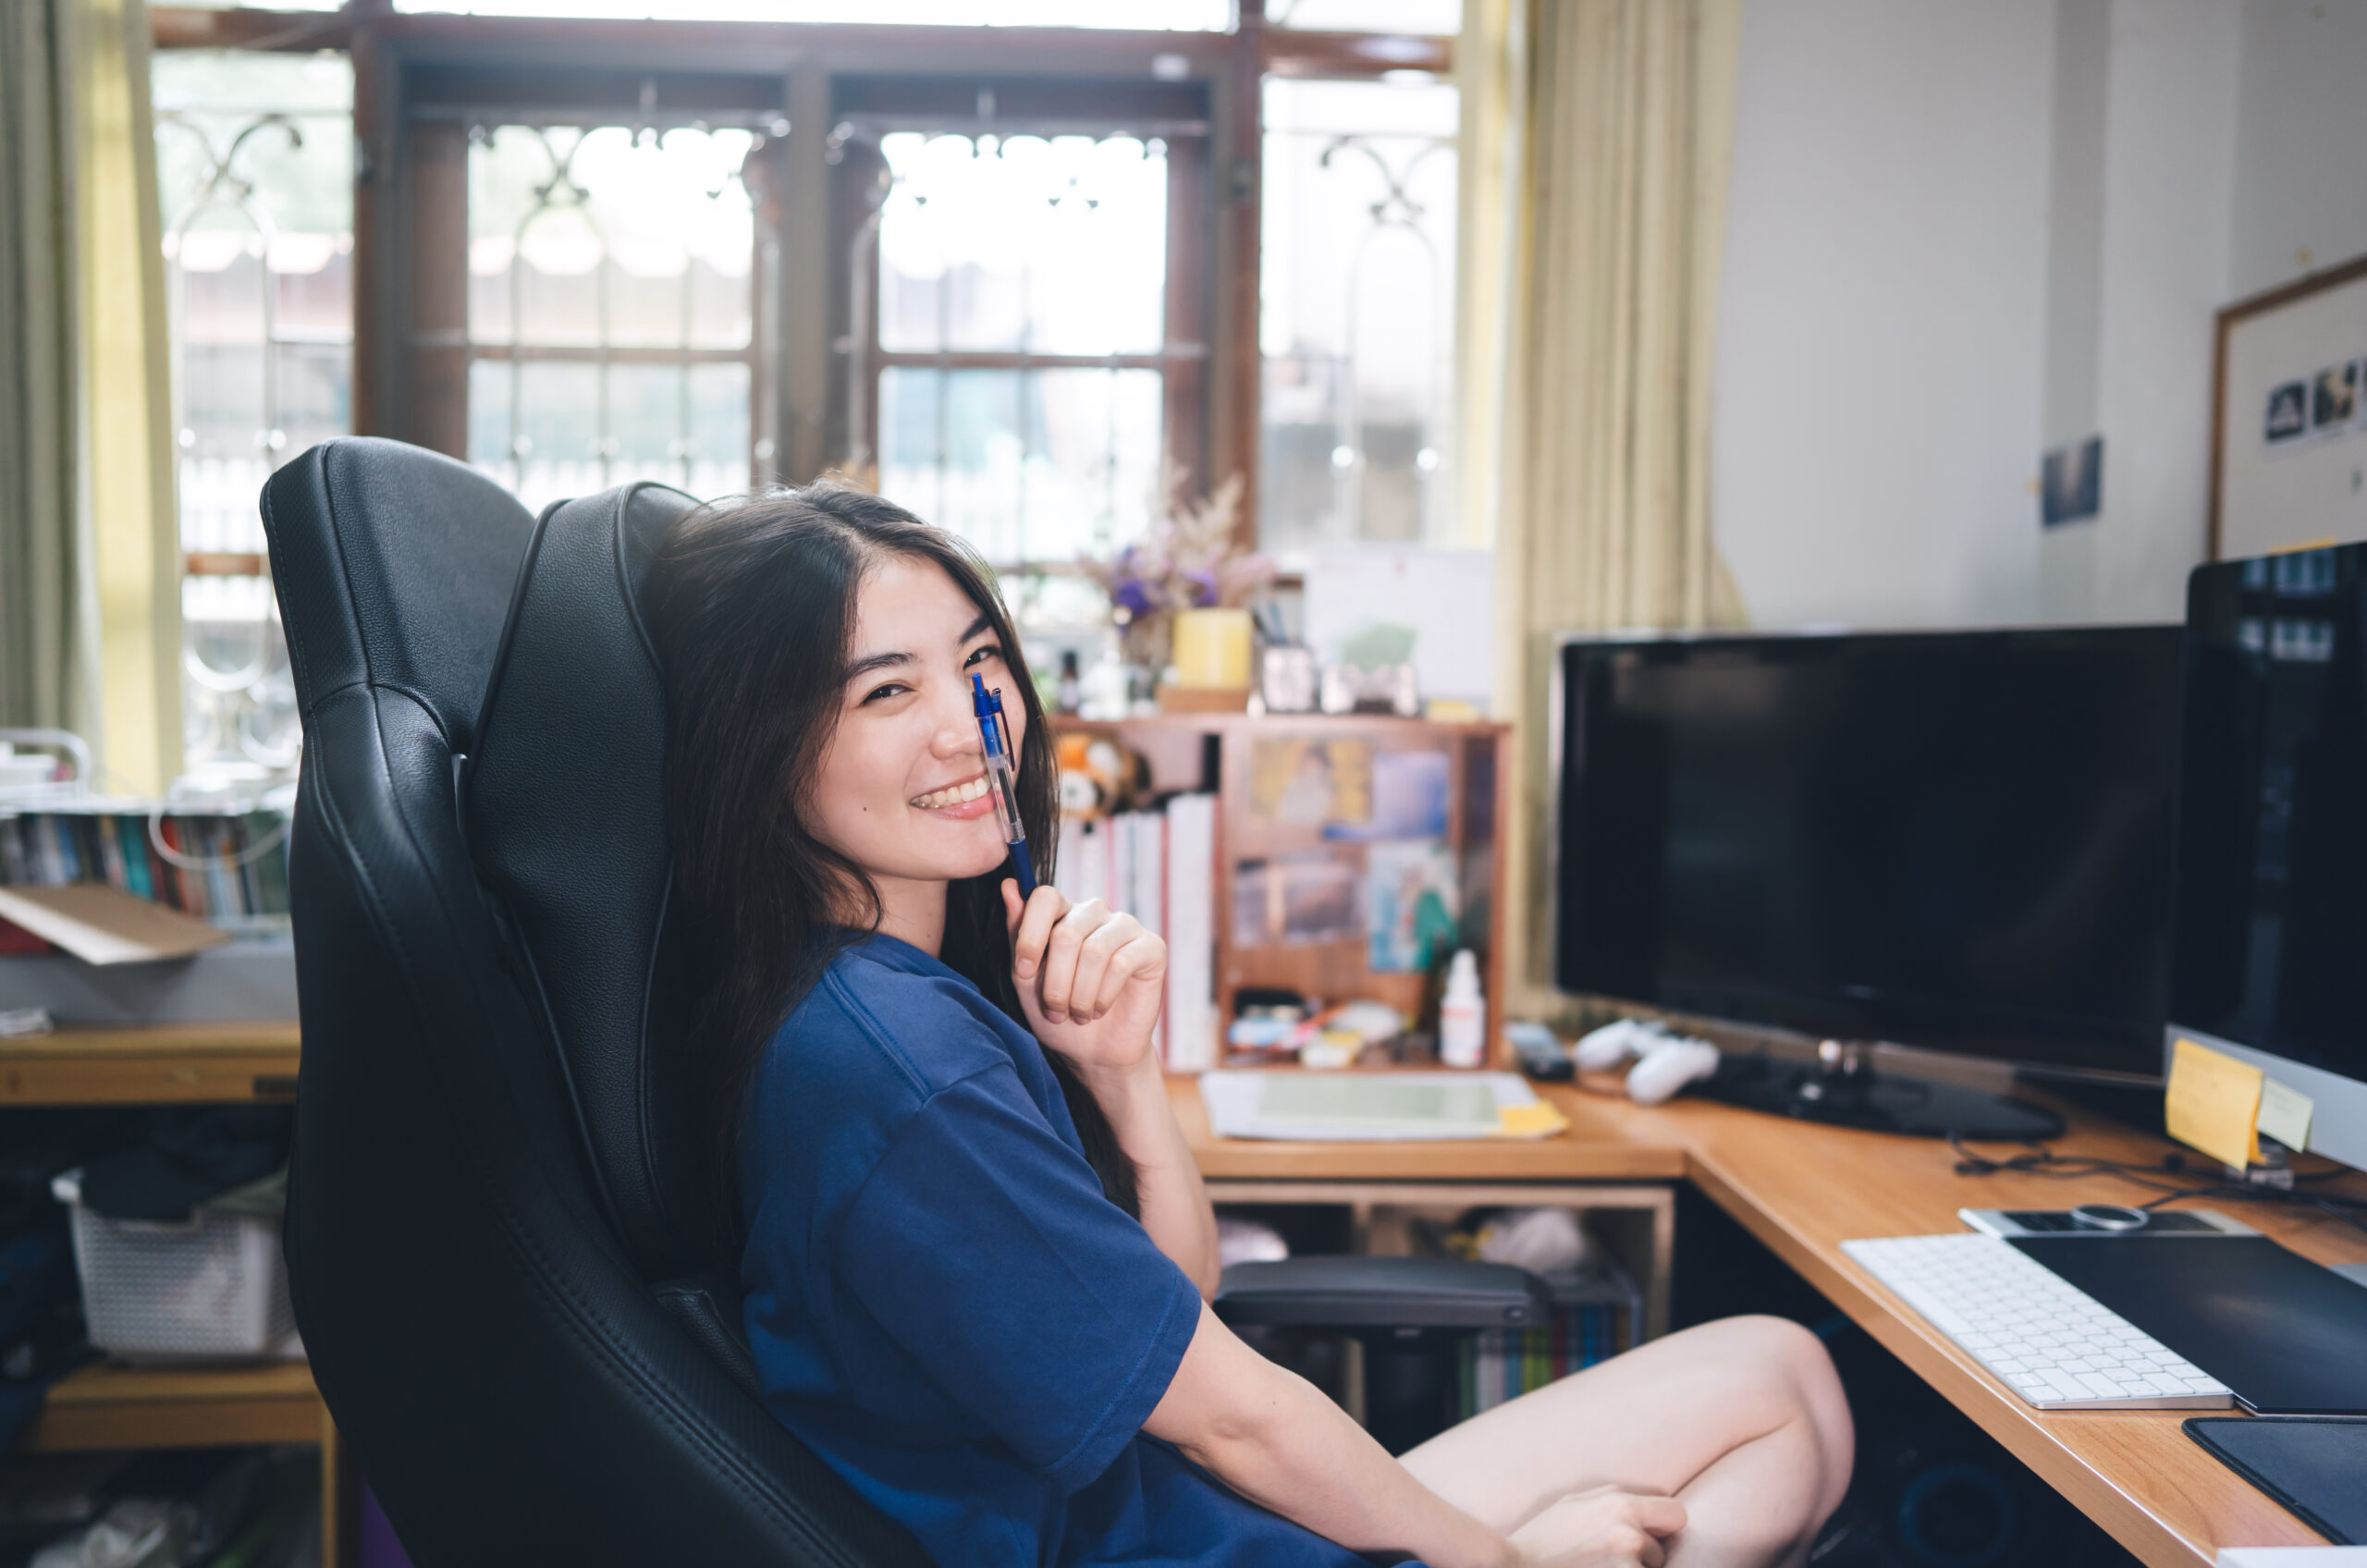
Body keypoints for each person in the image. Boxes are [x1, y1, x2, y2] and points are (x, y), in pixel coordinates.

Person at [645, 484, 1854, 1568]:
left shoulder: (880, 999)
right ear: (760, 746)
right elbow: (1233, 1417)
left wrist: (1124, 1082)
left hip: (1175, 1513)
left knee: (1784, 1382)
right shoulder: (896, 1067)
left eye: (978, 661)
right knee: (1772, 1411)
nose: (971, 726)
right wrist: (1503, 1564)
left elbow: (1173, 1310)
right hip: (1165, 1537)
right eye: (886, 691)